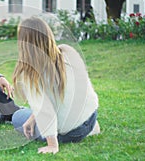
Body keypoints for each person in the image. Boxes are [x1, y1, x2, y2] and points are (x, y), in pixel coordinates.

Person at [11, 17, 100, 154]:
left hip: (72, 132)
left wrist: (52, 144)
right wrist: (34, 117)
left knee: (17, 116)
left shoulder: (31, 73)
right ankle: (89, 127)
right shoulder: (67, 52)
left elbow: (46, 110)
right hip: (91, 117)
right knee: (31, 115)